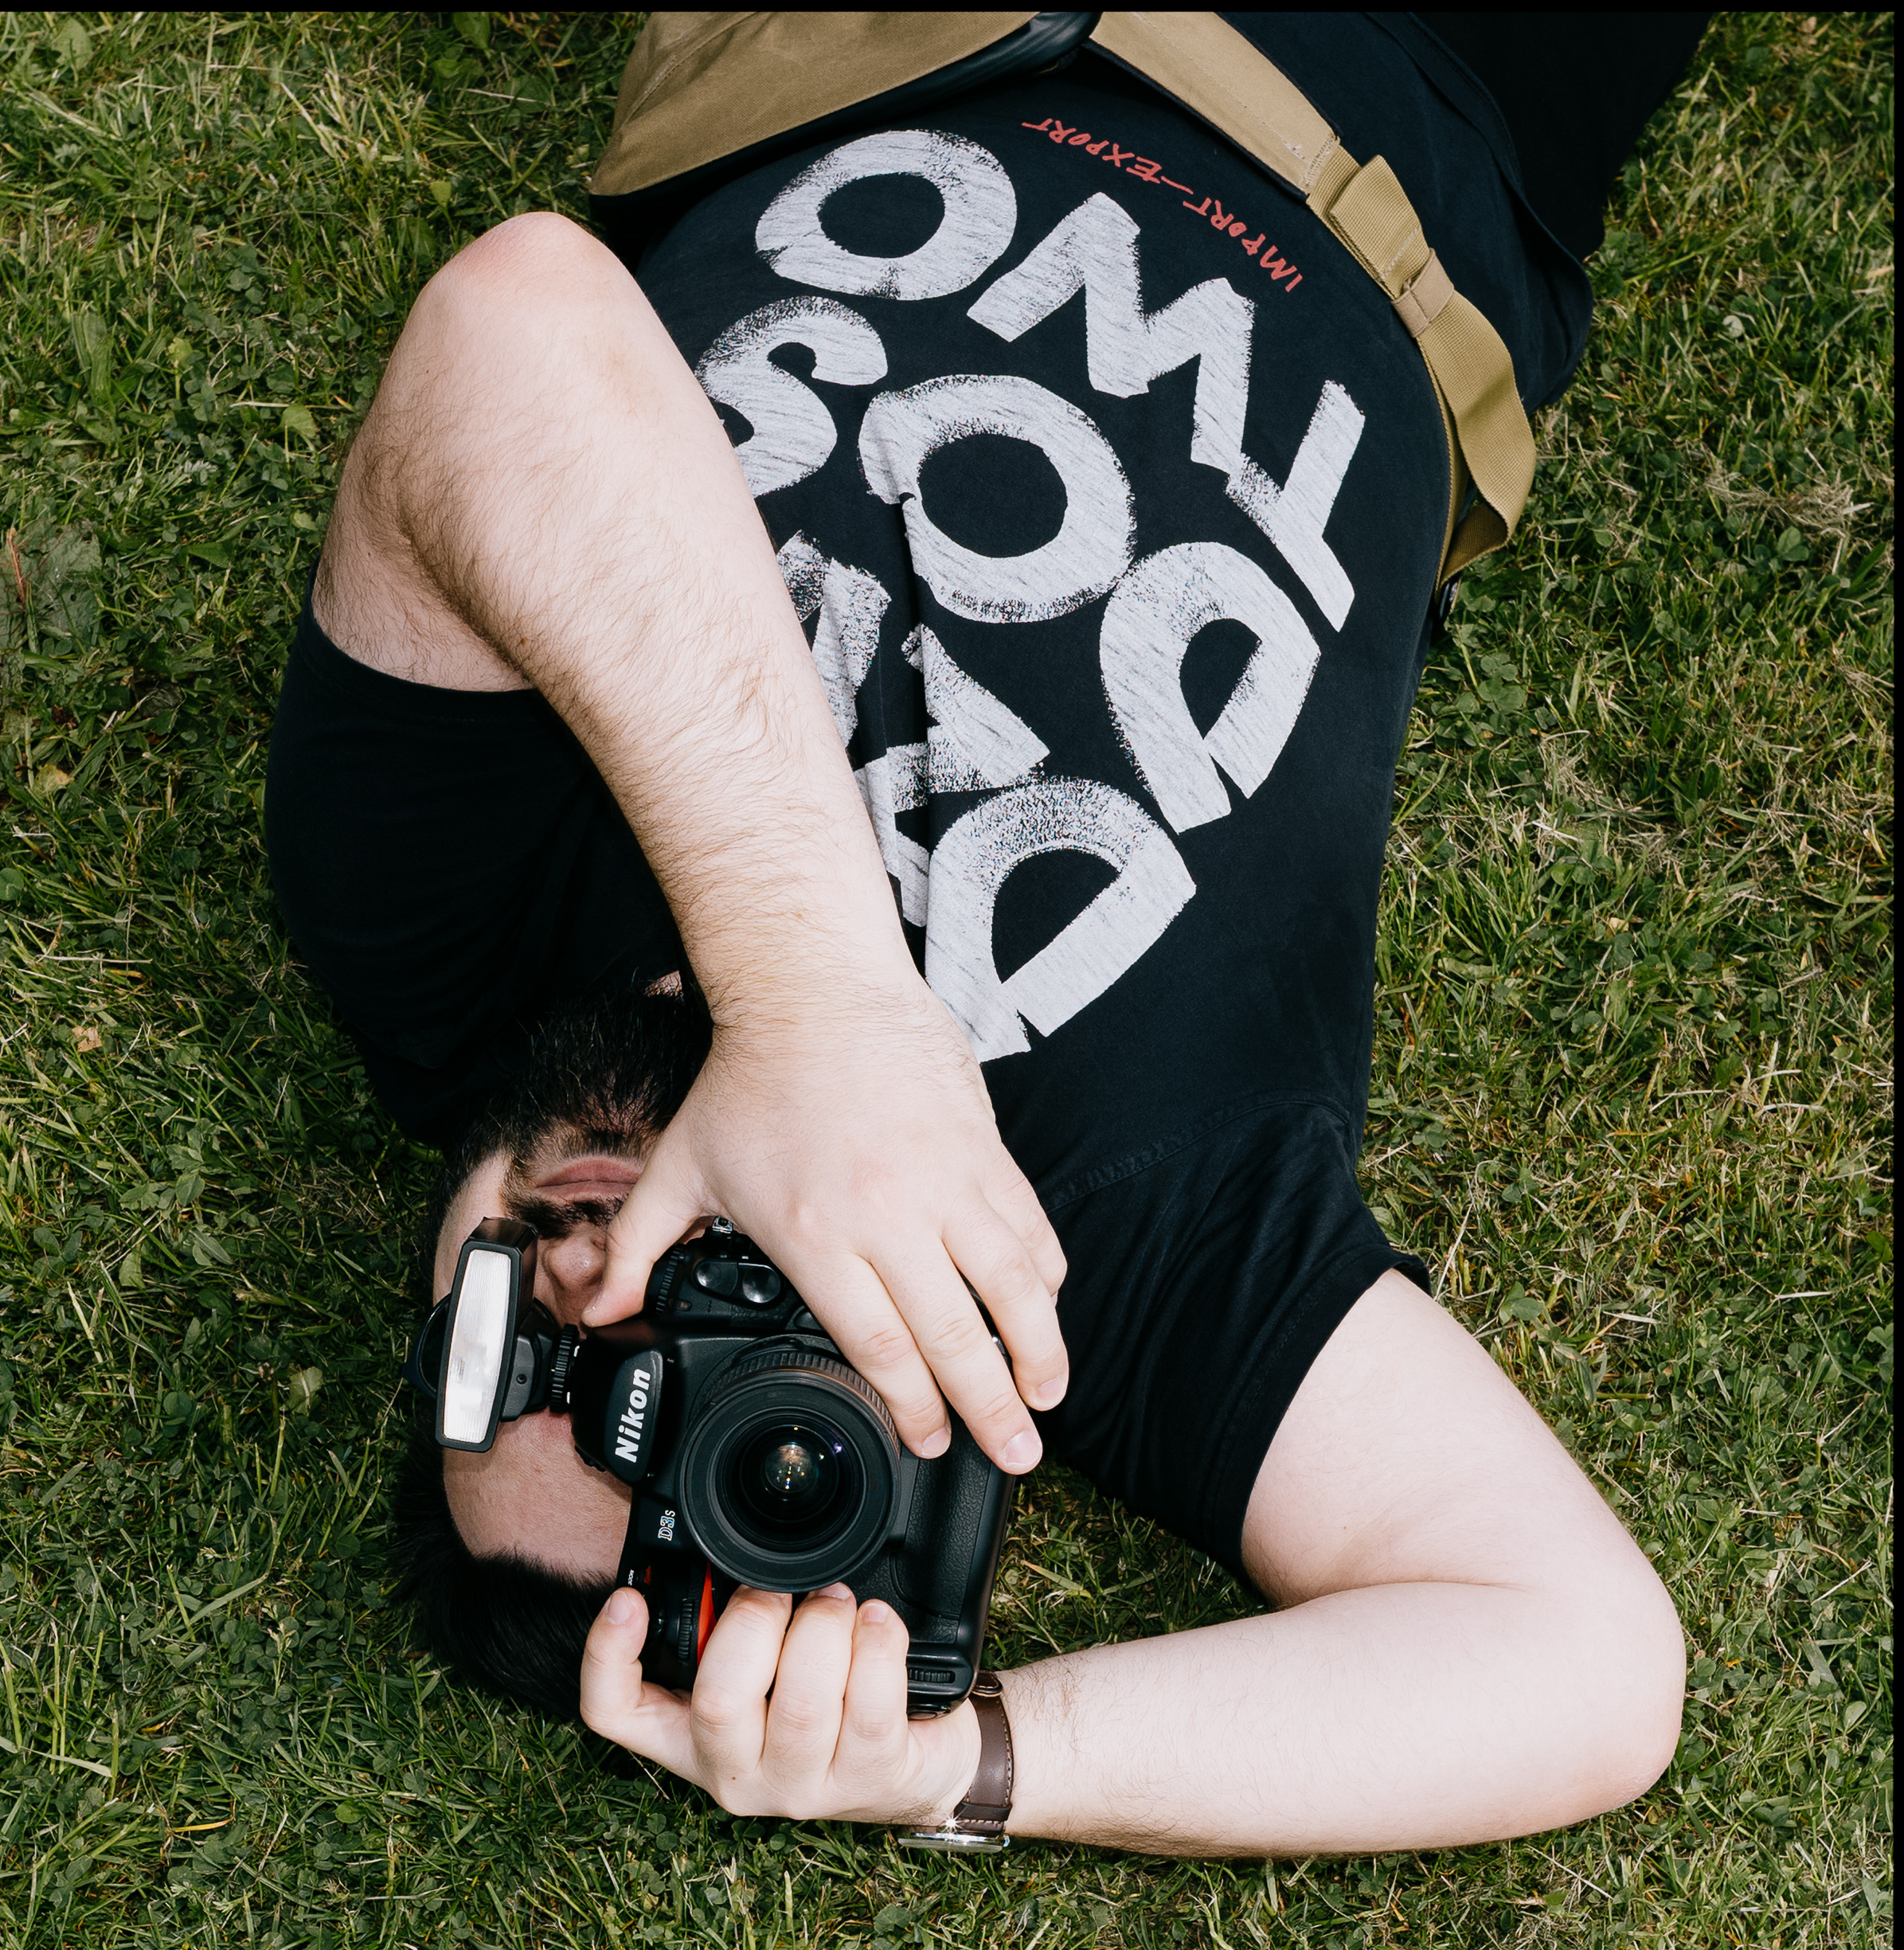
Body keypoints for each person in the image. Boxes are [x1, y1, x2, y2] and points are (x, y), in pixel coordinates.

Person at [264, 14, 1709, 1856]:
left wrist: (819, 1002)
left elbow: (515, 319)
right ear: (842, 1508)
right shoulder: (1110, 1259)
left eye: (502, 1344)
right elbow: (1582, 1662)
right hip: (1445, 106)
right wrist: (964, 1762)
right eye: (662, 1405)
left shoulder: (440, 937)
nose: (590, 1294)